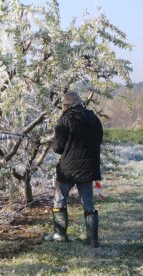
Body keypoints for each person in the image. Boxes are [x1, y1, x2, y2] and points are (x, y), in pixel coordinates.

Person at [48, 91, 103, 248]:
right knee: (88, 203)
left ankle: (60, 235)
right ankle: (92, 240)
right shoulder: (94, 118)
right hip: (88, 167)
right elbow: (98, 140)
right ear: (79, 102)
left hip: (68, 168)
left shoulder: (64, 120)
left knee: (60, 199)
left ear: (66, 105)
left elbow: (57, 147)